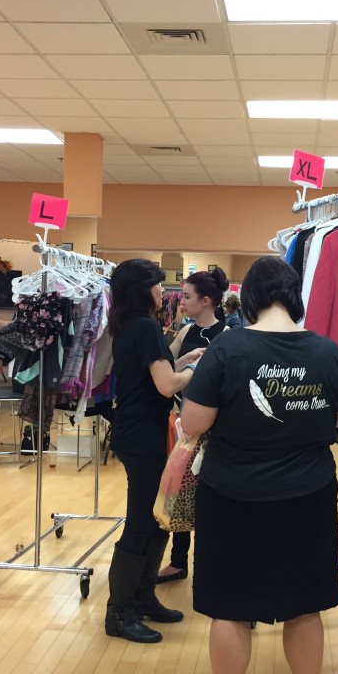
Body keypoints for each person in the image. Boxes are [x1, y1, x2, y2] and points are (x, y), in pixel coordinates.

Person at [181, 256, 338, 674]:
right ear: (294, 295)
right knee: (305, 606)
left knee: (230, 608)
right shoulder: (325, 351)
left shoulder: (227, 349)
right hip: (307, 496)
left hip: (231, 495)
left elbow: (193, 423)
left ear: (250, 299)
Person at [105, 258, 204, 643]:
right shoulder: (145, 326)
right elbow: (166, 386)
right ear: (141, 289)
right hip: (143, 435)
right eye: (158, 284)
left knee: (157, 517)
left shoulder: (130, 325)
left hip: (138, 431)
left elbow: (150, 377)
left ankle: (143, 598)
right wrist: (194, 370)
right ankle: (119, 612)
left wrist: (182, 361)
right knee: (142, 520)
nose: (164, 290)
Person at [158, 267, 229, 584]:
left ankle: (211, 563)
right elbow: (168, 369)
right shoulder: (185, 331)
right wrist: (186, 363)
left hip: (214, 426)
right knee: (180, 489)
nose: (181, 302)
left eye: (186, 297)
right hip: (182, 423)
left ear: (206, 300)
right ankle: (178, 561)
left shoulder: (227, 335)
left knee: (209, 494)